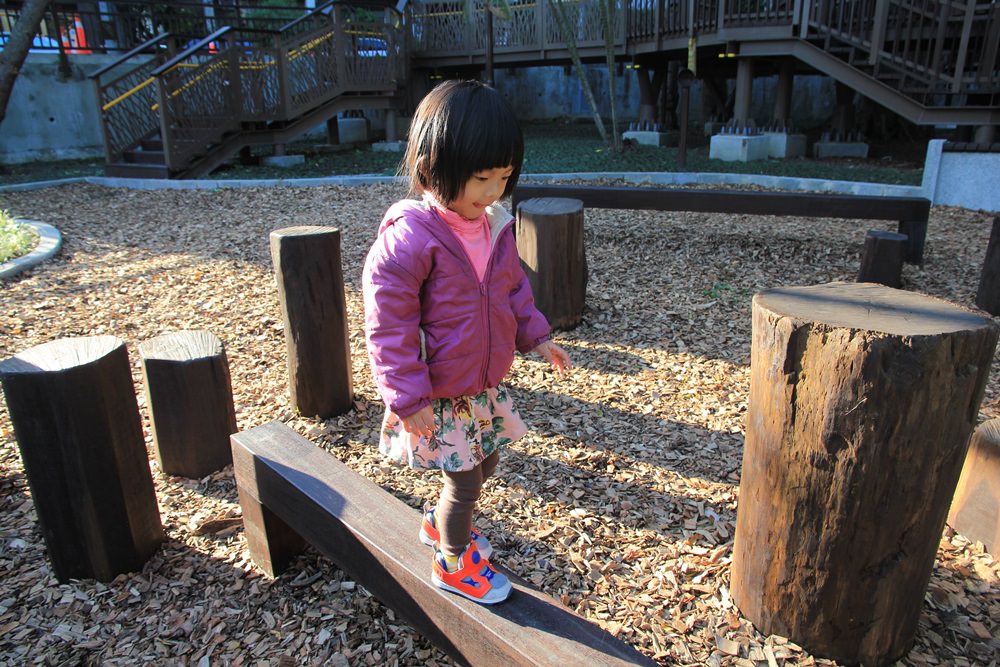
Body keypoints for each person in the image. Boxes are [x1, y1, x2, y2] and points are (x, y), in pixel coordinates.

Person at [362, 79, 572, 605]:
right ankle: (451, 561)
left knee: (488, 459)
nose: (493, 192)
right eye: (481, 179)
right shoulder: (410, 240)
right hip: (438, 390)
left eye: (503, 177)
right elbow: (388, 325)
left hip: (481, 384)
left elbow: (512, 290)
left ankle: (438, 525)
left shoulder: (494, 226)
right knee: (464, 483)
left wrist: (537, 337)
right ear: (432, 170)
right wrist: (406, 398)